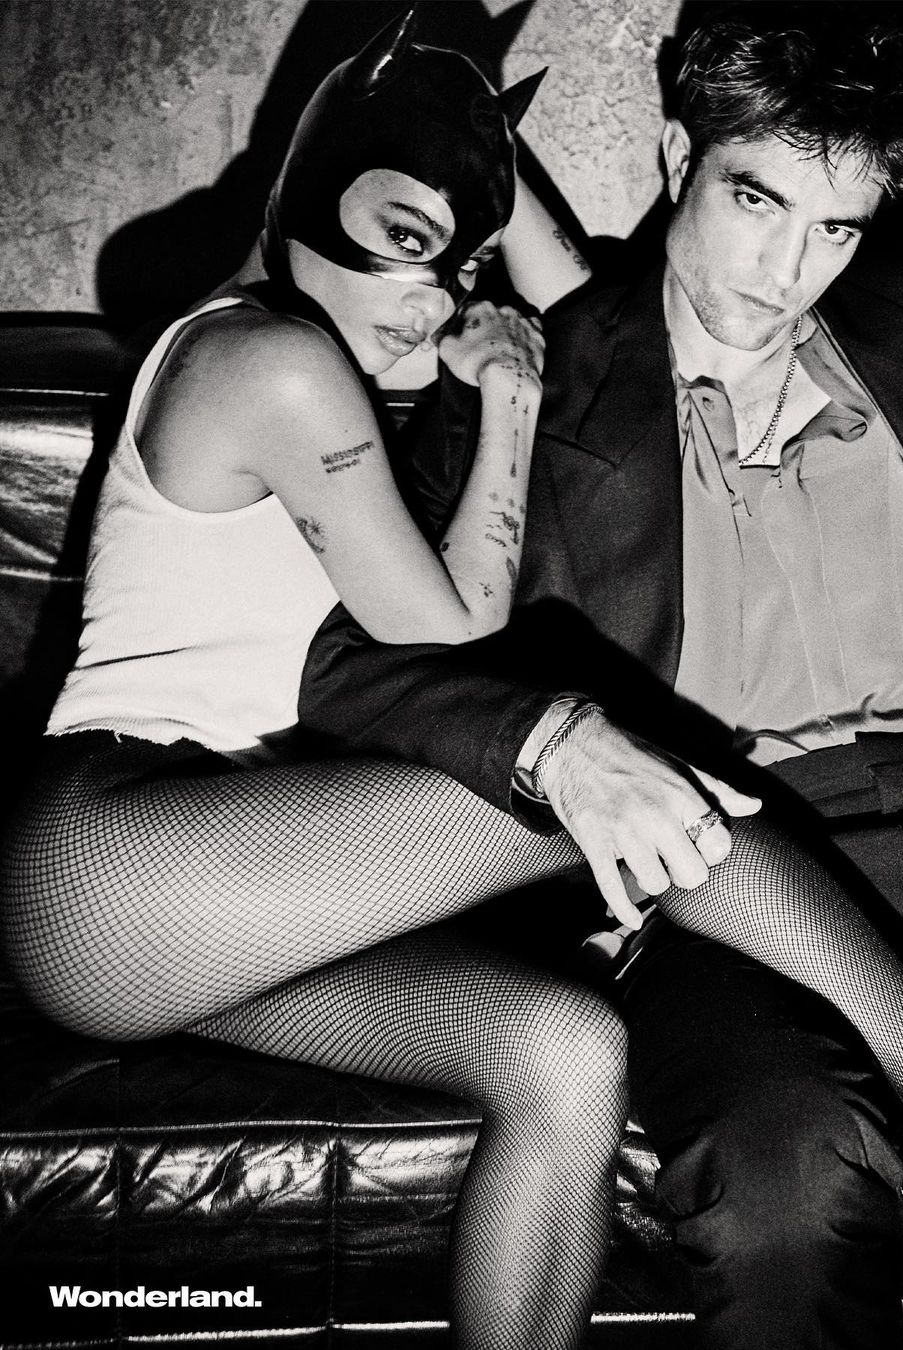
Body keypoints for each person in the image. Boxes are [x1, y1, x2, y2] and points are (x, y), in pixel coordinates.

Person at [299, 5, 903, 1348]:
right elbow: (353, 664)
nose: (788, 270)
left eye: (836, 229)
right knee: (785, 1190)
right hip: (724, 892)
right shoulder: (535, 377)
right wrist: (556, 742)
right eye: (756, 202)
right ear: (678, 158)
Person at [0, 16, 628, 1350]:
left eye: (462, 266)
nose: (441, 297)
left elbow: (582, 312)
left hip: (205, 892)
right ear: (312, 191)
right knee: (615, 786)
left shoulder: (271, 341)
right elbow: (455, 624)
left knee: (563, 1049)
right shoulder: (275, 362)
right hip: (117, 852)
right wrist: (509, 398)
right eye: (408, 239)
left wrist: (463, 187)